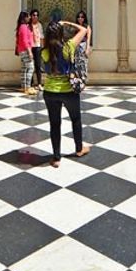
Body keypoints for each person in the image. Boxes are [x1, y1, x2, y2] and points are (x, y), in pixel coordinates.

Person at [41, 20, 91, 167]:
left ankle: (56, 158)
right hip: (68, 91)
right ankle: (79, 149)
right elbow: (84, 30)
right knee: (76, 119)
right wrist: (67, 23)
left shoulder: (44, 52)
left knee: (55, 124)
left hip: (50, 91)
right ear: (61, 33)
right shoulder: (68, 47)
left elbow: (43, 40)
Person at [15, 10, 36, 95]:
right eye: (28, 16)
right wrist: (30, 52)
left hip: (22, 50)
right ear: (24, 18)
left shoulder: (22, 26)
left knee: (24, 68)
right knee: (30, 68)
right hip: (25, 50)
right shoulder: (23, 27)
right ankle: (27, 87)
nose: (29, 17)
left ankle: (23, 86)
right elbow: (25, 41)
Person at [73, 10, 92, 81]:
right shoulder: (76, 27)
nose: (80, 18)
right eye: (79, 17)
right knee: (77, 62)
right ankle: (78, 78)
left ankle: (84, 78)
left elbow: (88, 38)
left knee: (83, 62)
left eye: (82, 17)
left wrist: (87, 48)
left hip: (83, 45)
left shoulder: (87, 27)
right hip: (76, 46)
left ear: (84, 18)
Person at [29, 9, 44, 88]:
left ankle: (39, 83)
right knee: (31, 66)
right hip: (31, 47)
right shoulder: (29, 25)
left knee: (38, 65)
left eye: (37, 15)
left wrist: (42, 47)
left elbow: (41, 36)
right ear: (31, 16)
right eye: (34, 15)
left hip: (37, 47)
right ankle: (31, 83)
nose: (35, 17)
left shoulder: (39, 25)